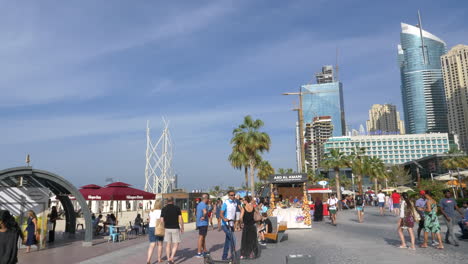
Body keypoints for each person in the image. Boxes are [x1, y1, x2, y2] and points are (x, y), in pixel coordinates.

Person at [161, 197, 184, 264]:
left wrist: (163, 226)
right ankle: (172, 257)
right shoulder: (177, 208)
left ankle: (168, 259)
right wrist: (182, 227)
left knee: (168, 244)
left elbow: (162, 220)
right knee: (176, 243)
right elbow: (180, 218)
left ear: (167, 201)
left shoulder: (164, 209)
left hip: (167, 228)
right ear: (173, 201)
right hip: (175, 228)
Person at [220, 190, 238, 261]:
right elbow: (221, 213)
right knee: (232, 239)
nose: (233, 196)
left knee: (228, 241)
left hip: (231, 224)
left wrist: (236, 222)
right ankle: (233, 256)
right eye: (231, 195)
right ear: (228, 196)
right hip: (225, 225)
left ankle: (224, 257)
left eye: (233, 195)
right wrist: (224, 219)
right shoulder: (226, 203)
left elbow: (234, 214)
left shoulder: (235, 203)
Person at [147, 200, 164, 264]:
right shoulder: (161, 211)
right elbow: (162, 220)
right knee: (160, 244)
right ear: (160, 205)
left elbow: (149, 220)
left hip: (151, 227)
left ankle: (148, 260)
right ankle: (159, 259)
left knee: (152, 244)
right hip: (158, 228)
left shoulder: (151, 211)